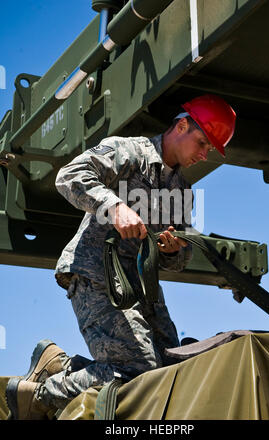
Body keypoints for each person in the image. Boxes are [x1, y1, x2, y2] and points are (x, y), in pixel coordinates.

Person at [6, 94, 236, 419]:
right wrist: (114, 207)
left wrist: (172, 250)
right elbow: (69, 175)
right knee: (139, 368)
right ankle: (39, 395)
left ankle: (61, 366)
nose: (203, 154)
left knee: (170, 366)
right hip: (97, 274)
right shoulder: (130, 152)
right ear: (181, 125)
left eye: (209, 149)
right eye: (202, 142)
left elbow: (177, 262)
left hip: (143, 290)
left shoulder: (181, 191)